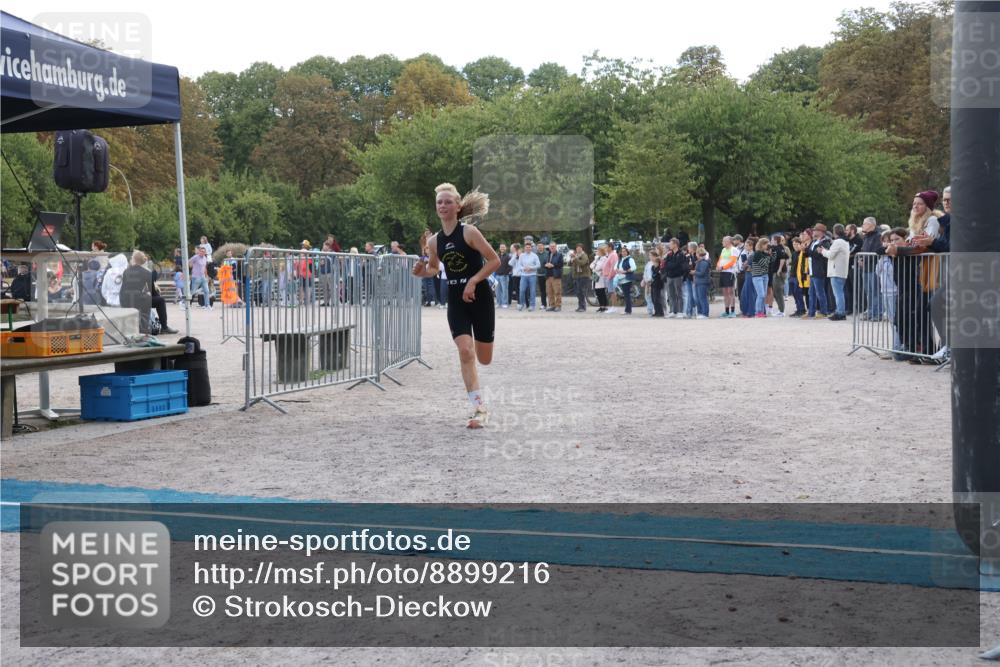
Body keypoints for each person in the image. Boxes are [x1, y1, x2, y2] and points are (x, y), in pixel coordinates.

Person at [412, 183, 500, 428]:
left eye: (448, 201)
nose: (443, 205)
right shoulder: (433, 242)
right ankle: (479, 408)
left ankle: (479, 401)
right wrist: (420, 272)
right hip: (456, 301)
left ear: (458, 206)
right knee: (465, 351)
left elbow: (494, 260)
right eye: (439, 202)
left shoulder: (469, 232)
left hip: (480, 298)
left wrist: (473, 280)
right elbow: (433, 269)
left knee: (484, 358)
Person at [820, 224, 851, 320]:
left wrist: (822, 251)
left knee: (838, 293)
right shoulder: (845, 242)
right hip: (841, 271)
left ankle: (840, 312)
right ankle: (840, 311)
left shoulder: (838, 242)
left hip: (836, 271)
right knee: (840, 292)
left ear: (835, 232)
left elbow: (830, 255)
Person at [806, 224, 832, 318]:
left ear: (821, 231)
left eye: (815, 230)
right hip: (812, 270)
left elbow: (819, 255)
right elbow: (810, 252)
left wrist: (809, 252)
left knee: (819, 292)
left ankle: (823, 311)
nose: (813, 231)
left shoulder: (825, 242)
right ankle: (811, 312)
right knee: (811, 292)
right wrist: (810, 251)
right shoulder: (814, 241)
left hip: (819, 270)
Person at [716, 236, 738, 317]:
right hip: (723, 272)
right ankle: (726, 311)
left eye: (723, 241)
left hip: (730, 272)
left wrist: (723, 267)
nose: (722, 242)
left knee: (730, 292)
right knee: (725, 292)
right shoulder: (723, 249)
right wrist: (718, 266)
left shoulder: (734, 249)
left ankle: (733, 311)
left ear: (728, 241)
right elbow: (720, 260)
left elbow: (732, 261)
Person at [750, 238, 771, 318]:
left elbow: (772, 260)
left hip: (765, 276)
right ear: (762, 245)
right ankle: (758, 311)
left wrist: (771, 253)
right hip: (757, 276)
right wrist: (768, 255)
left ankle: (762, 312)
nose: (767, 246)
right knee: (761, 295)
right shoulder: (757, 253)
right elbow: (764, 264)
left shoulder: (764, 253)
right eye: (766, 244)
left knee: (764, 295)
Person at [516, 241, 540, 311]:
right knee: (522, 290)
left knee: (532, 291)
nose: (528, 248)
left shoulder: (535, 255)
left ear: (531, 248)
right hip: (523, 275)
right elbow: (519, 265)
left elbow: (538, 265)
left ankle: (532, 305)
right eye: (526, 247)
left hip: (532, 275)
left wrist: (531, 268)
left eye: (529, 247)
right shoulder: (521, 255)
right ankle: (521, 304)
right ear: (524, 248)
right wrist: (524, 268)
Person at [543, 241, 564, 312]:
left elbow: (561, 264)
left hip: (556, 276)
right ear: (549, 247)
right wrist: (545, 265)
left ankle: (558, 306)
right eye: (551, 246)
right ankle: (552, 305)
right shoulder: (547, 254)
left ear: (556, 247)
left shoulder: (559, 255)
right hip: (548, 276)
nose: (552, 248)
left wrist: (553, 265)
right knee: (549, 292)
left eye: (553, 246)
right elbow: (544, 263)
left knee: (557, 291)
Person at [570, 243, 591, 312]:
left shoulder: (584, 255)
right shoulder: (576, 255)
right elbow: (571, 264)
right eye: (577, 248)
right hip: (577, 275)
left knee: (581, 291)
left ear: (582, 249)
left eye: (579, 248)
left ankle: (583, 306)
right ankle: (580, 306)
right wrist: (571, 259)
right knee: (578, 292)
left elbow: (582, 263)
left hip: (584, 275)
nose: (578, 249)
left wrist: (575, 258)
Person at [616, 246, 636, 315]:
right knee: (626, 294)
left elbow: (634, 267)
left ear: (627, 252)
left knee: (627, 295)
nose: (623, 253)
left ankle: (628, 310)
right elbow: (615, 267)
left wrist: (625, 271)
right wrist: (617, 270)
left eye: (624, 251)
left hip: (627, 279)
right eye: (622, 251)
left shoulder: (630, 259)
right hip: (621, 279)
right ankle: (627, 309)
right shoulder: (620, 259)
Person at [694, 248, 711, 318]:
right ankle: (700, 312)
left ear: (699, 254)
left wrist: (694, 272)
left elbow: (702, 273)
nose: (696, 255)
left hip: (703, 282)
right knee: (698, 298)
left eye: (696, 254)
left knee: (703, 298)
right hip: (698, 282)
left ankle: (705, 313)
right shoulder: (699, 262)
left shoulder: (704, 262)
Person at [642, 249, 660, 316]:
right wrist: (644, 280)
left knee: (651, 297)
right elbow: (645, 272)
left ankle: (653, 310)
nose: (650, 257)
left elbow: (654, 273)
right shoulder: (648, 263)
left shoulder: (655, 263)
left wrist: (650, 280)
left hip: (652, 282)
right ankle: (649, 310)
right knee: (647, 296)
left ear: (654, 256)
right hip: (647, 282)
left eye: (651, 255)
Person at [591, 245, 609, 313]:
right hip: (595, 275)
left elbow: (599, 267)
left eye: (598, 251)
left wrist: (594, 267)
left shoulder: (604, 258)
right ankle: (601, 306)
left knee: (601, 292)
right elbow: (591, 265)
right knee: (597, 292)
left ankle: (604, 306)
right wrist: (594, 267)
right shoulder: (597, 258)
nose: (597, 252)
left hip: (600, 277)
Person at [603, 243, 619, 314]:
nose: (605, 249)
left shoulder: (613, 255)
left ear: (610, 248)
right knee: (611, 291)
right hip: (608, 276)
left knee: (612, 292)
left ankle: (614, 307)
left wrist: (609, 276)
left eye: (606, 247)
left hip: (611, 276)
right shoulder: (610, 255)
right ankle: (613, 307)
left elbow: (613, 267)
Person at [495, 243, 512, 308]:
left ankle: (505, 303)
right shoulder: (497, 255)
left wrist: (505, 273)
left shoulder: (508, 256)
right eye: (501, 247)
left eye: (503, 247)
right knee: (497, 290)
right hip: (497, 276)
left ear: (506, 248)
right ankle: (498, 303)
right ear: (499, 248)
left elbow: (510, 267)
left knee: (505, 290)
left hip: (504, 276)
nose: (502, 248)